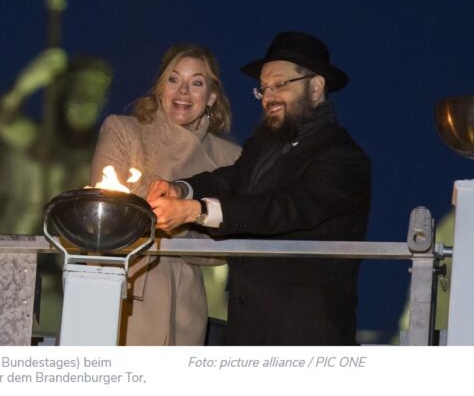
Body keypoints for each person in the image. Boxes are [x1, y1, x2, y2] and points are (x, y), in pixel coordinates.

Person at [148, 31, 370, 345]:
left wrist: (197, 212)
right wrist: (182, 189)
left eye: (280, 84)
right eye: (263, 88)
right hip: (246, 334)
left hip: (303, 343)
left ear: (316, 87)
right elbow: (230, 180)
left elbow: (282, 208)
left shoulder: (343, 157)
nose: (268, 96)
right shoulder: (264, 145)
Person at [90, 44, 241, 345]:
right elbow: (107, 219)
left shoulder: (231, 157)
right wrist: (190, 221)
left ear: (211, 96)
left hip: (186, 302)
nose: (183, 91)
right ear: (160, 88)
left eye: (196, 83)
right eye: (174, 80)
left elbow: (229, 243)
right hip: (122, 289)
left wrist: (180, 218)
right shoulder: (123, 131)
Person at [0, 47, 112, 334]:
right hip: (16, 271)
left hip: (74, 283)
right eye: (79, 93)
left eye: (94, 95)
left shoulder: (103, 158)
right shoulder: (38, 146)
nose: (85, 103)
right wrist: (26, 84)